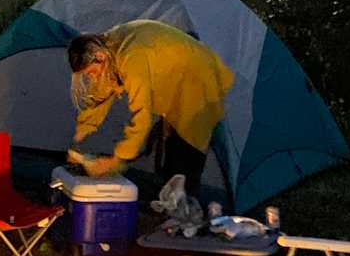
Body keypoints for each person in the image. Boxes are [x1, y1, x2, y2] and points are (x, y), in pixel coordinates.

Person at [66, 21, 234, 196]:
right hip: (175, 79)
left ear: (100, 57)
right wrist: (80, 136)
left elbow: (141, 116)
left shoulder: (133, 57)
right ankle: (169, 201)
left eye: (92, 72)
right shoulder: (108, 46)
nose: (93, 77)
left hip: (200, 81)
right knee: (169, 142)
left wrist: (116, 160)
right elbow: (103, 91)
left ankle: (186, 208)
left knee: (186, 148)